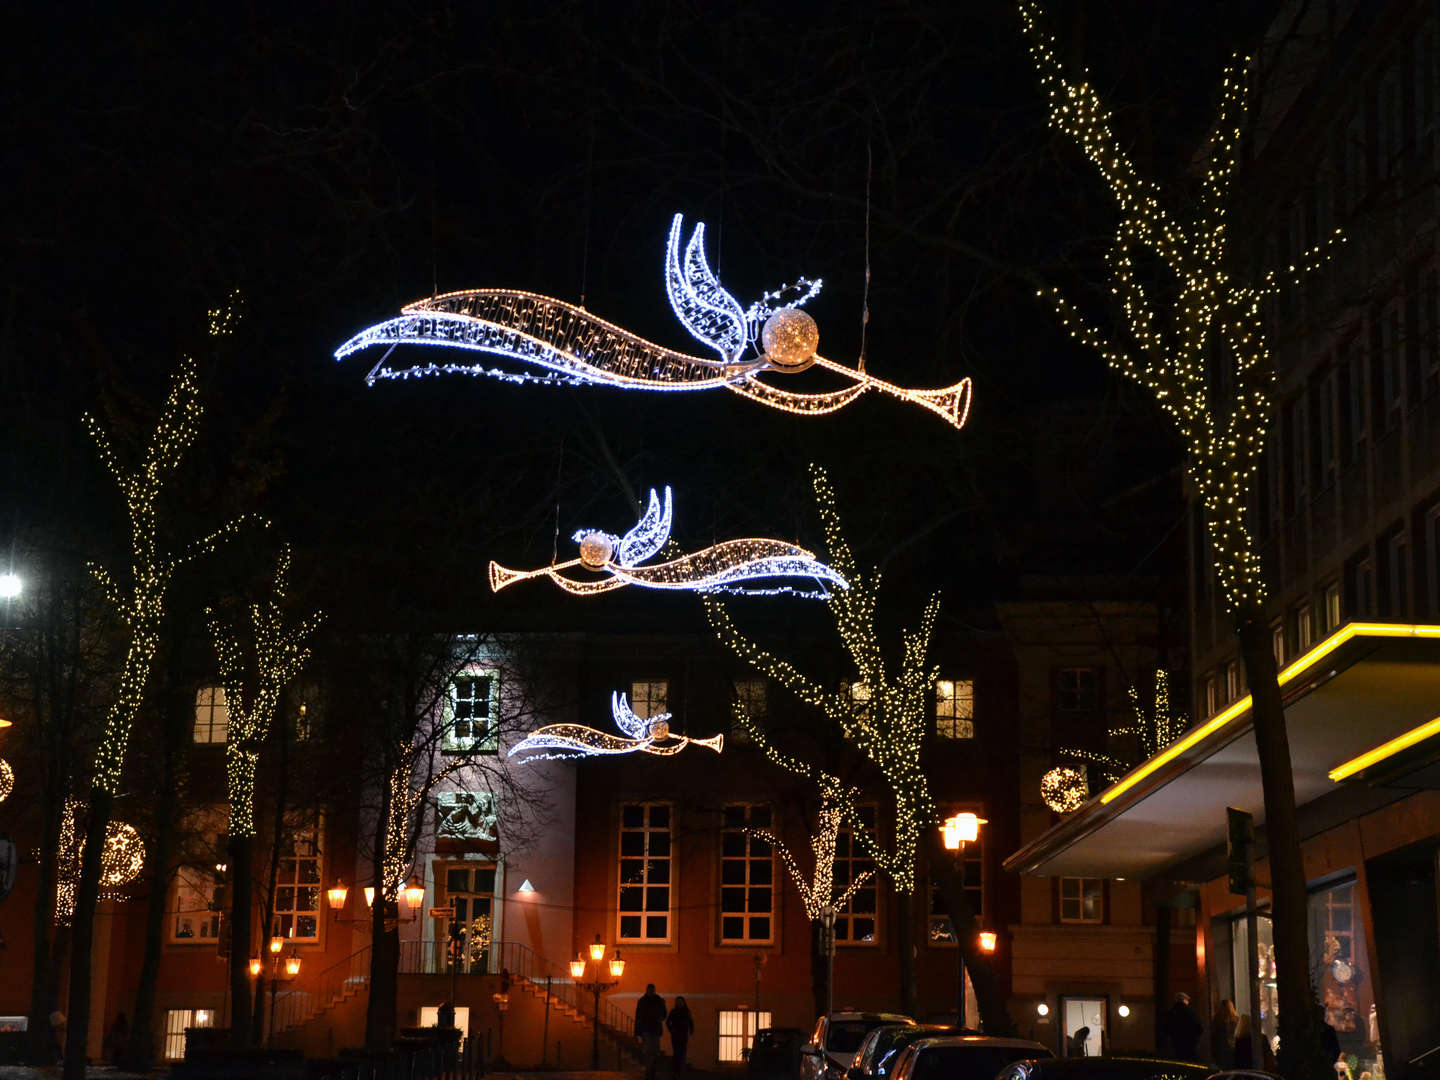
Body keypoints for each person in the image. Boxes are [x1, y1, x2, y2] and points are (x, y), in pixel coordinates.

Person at [635, 982, 668, 1080]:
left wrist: (660, 1018)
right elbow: (638, 1016)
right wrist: (637, 1032)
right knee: (649, 1050)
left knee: (653, 1051)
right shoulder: (644, 1001)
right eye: (650, 990)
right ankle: (649, 1070)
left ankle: (650, 1069)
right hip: (647, 1029)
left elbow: (664, 1013)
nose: (651, 992)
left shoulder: (657, 1000)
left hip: (654, 1029)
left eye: (652, 990)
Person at [1162, 992, 1203, 1061]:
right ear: (1184, 1000)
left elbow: (1166, 1028)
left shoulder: (1171, 1013)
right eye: (1187, 1000)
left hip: (1176, 1043)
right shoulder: (1191, 1012)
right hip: (1190, 1043)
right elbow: (1199, 1027)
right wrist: (1196, 1039)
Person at [667, 995, 695, 1076]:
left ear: (683, 1002)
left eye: (680, 1002)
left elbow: (690, 1021)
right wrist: (671, 1030)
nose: (679, 1003)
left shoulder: (686, 1012)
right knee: (676, 1053)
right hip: (676, 1035)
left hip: (683, 1035)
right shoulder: (673, 1012)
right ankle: (676, 1071)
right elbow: (668, 1022)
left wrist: (691, 1029)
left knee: (682, 1053)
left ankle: (679, 1071)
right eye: (678, 1002)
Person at [1211, 1000, 1239, 1067]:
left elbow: (1214, 1036)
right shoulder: (1236, 1019)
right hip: (1233, 1048)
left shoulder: (1217, 1019)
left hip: (1221, 1048)